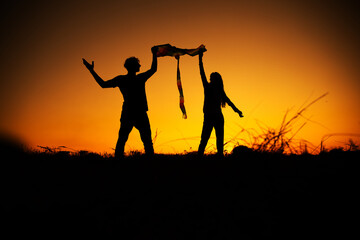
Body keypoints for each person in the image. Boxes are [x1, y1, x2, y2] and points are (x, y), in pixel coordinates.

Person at [82, 46, 158, 158]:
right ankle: (150, 166)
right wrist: (154, 54)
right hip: (139, 113)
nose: (140, 65)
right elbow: (153, 69)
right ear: (134, 66)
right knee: (146, 142)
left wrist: (91, 70)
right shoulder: (139, 78)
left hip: (129, 112)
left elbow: (103, 84)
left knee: (123, 140)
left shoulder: (122, 79)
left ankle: (118, 164)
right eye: (138, 64)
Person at [198, 50, 243, 156]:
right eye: (210, 78)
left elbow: (229, 102)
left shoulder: (218, 90)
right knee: (205, 138)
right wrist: (200, 59)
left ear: (216, 80)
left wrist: (238, 111)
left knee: (218, 139)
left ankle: (219, 157)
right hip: (210, 116)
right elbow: (201, 73)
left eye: (211, 78)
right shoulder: (208, 87)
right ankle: (201, 156)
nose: (209, 79)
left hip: (216, 117)